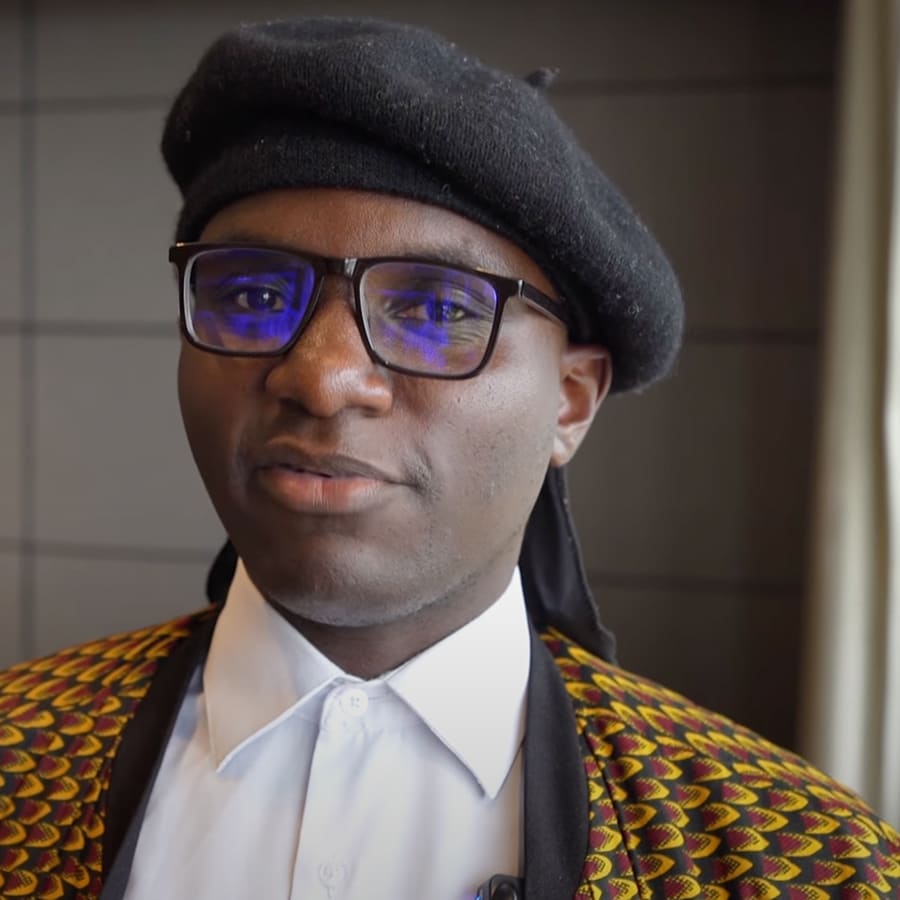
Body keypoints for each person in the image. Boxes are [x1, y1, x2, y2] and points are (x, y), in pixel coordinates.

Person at [1, 15, 898, 900]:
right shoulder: (19, 754)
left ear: (570, 402)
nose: (321, 377)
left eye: (435, 311)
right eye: (255, 292)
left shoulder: (798, 860)